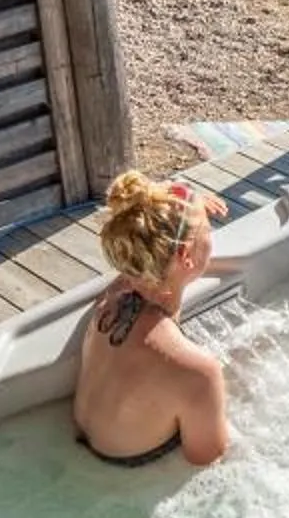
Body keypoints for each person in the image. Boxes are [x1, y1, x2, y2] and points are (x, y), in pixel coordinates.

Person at [70, 170, 233, 468]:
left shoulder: (111, 299)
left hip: (85, 449)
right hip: (132, 475)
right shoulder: (200, 373)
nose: (213, 235)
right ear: (185, 254)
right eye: (209, 230)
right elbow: (208, 464)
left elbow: (143, 226)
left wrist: (190, 208)